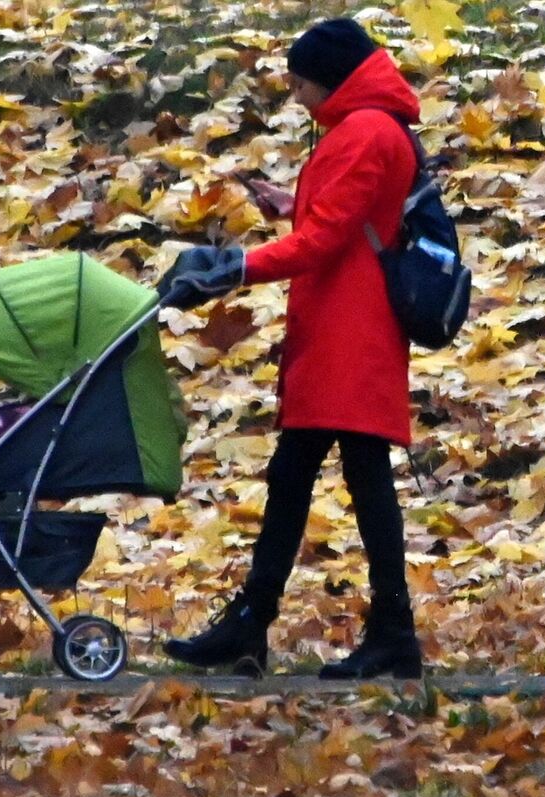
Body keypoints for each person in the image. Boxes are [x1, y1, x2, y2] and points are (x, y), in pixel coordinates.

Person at [157, 16, 424, 680]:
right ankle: (287, 623)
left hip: (348, 331)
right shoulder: (368, 127)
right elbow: (342, 219)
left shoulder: (364, 132)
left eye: (301, 84)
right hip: (344, 326)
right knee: (313, 476)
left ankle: (363, 629)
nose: (298, 98)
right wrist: (291, 205)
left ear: (329, 78)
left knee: (345, 479)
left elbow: (327, 240)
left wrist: (235, 269)